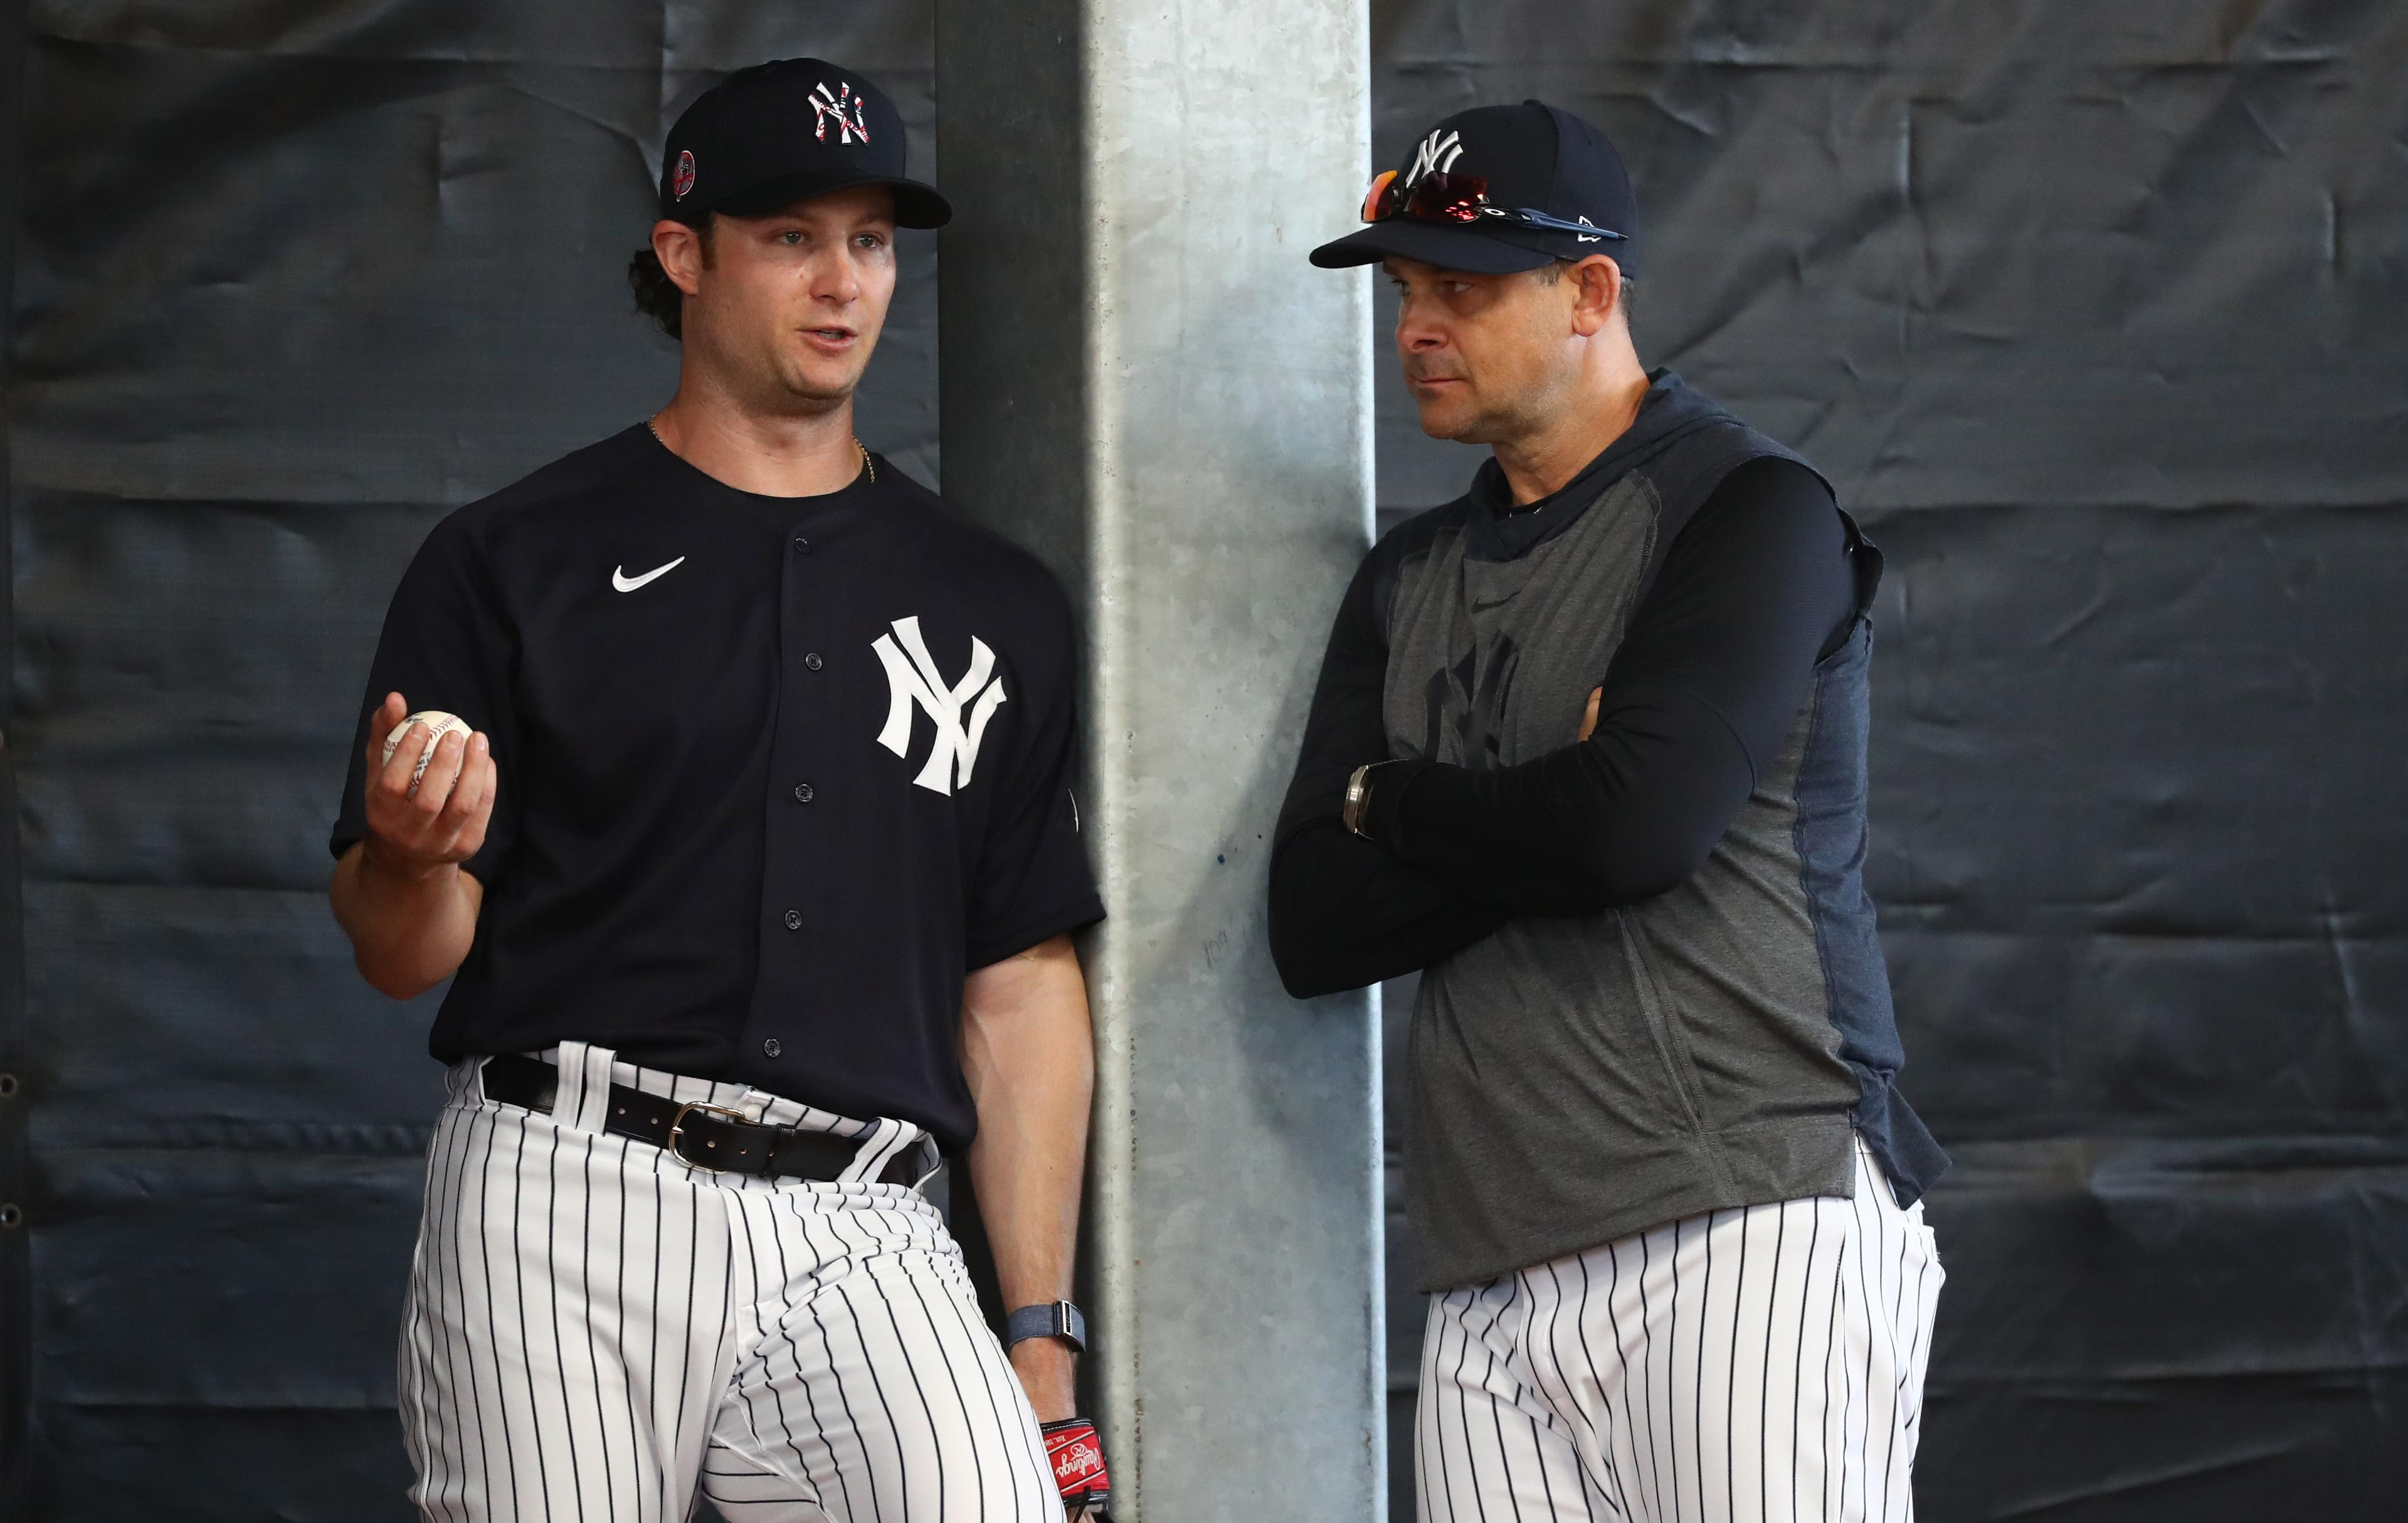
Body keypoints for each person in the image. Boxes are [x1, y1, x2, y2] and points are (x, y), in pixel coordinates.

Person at [329, 58, 1112, 1523]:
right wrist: (409, 857)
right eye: (790, 236)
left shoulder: (995, 598)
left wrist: (1038, 1340)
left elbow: (1018, 974)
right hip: (567, 1182)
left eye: (871, 240)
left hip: (865, 1217)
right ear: (683, 255)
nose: (842, 282)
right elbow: (398, 954)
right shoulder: (516, 559)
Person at [1270, 101, 1950, 1523]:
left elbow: (1632, 834)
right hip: (1491, 1260)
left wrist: (1394, 800)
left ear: (1589, 293)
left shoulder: (1749, 508)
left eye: (1462, 289)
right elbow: (1313, 921)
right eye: (1406, 292)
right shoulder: (1409, 575)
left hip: (1750, 1210)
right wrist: (1540, 803)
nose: (1417, 328)